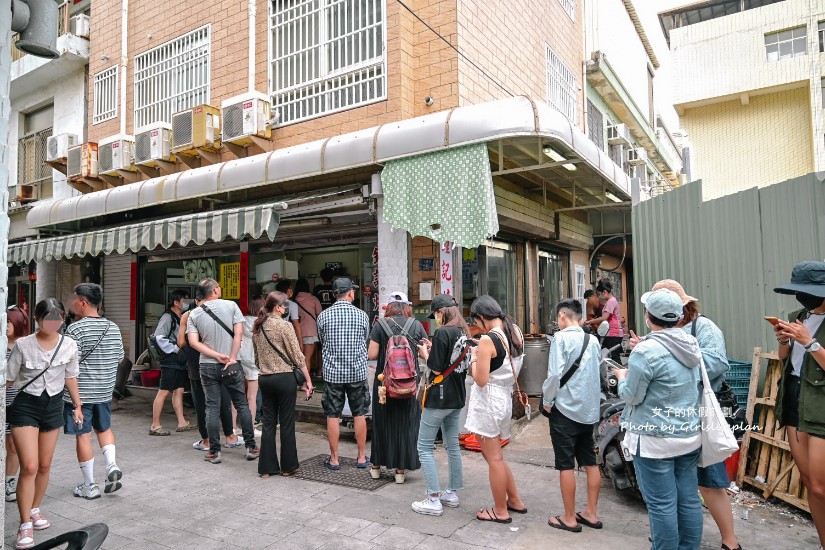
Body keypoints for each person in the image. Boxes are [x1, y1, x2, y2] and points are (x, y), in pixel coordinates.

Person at [646, 279, 741, 550]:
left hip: (700, 409)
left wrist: (679, 364)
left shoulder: (703, 326)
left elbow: (719, 362)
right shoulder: (665, 328)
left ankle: (730, 542)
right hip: (671, 412)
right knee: (675, 482)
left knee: (711, 478)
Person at [614, 288, 703, 550]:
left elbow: (632, 396)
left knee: (661, 504)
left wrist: (621, 379)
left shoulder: (646, 351)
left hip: (655, 439)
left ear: (648, 316)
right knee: (688, 500)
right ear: (678, 317)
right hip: (688, 435)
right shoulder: (690, 343)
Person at [6, 299, 82, 550]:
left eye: (58, 318)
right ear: (37, 320)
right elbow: (8, 378)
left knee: (45, 464)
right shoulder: (23, 345)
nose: (53, 323)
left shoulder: (69, 344)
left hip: (53, 406)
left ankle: (35, 507)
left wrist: (78, 405)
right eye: (48, 318)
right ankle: (24, 523)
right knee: (29, 465)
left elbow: (70, 377)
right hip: (26, 406)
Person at [773, 261, 825, 548]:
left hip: (820, 402)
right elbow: (784, 359)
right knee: (809, 481)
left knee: (820, 485)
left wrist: (810, 342)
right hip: (793, 397)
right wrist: (784, 339)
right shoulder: (798, 316)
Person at [542, 299, 603, 533]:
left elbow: (554, 376)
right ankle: (591, 513)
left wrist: (547, 402)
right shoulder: (593, 340)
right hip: (588, 412)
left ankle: (569, 517)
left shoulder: (561, 338)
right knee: (590, 462)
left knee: (565, 464)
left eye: (558, 319)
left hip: (565, 410)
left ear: (563, 317)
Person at [465, 295, 526, 524]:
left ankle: (501, 510)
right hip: (505, 397)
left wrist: (473, 357)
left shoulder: (488, 340)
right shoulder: (515, 331)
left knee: (494, 459)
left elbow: (480, 379)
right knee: (497, 457)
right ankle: (515, 500)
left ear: (481, 317)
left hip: (489, 400)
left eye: (477, 321)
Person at [186, 278, 260, 464]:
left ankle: (215, 451)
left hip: (207, 365)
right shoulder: (231, 306)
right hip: (232, 364)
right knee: (241, 404)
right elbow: (239, 334)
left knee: (211, 407)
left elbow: (194, 343)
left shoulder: (194, 314)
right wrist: (232, 357)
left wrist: (216, 355)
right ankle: (251, 447)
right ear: (216, 290)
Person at [411, 294, 470, 516]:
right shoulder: (462, 331)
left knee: (424, 447)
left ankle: (433, 498)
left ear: (441, 312)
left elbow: (436, 367)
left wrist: (426, 353)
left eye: (435, 314)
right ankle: (452, 493)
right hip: (457, 397)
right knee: (452, 444)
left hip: (440, 398)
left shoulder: (444, 331)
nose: (435, 318)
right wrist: (434, 347)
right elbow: (450, 358)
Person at [65, 283, 125, 499]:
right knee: (104, 429)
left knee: (83, 436)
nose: (73, 304)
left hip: (79, 395)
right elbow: (119, 358)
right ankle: (111, 466)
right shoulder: (113, 327)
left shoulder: (75, 329)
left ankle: (89, 486)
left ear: (83, 303)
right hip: (104, 392)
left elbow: (69, 364)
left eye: (75, 300)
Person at [367, 291, 426, 484]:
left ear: (389, 307)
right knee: (406, 425)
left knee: (382, 423)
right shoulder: (416, 325)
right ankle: (400, 471)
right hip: (409, 384)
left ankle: (376, 468)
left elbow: (372, 354)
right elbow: (426, 352)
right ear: (407, 307)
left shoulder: (380, 325)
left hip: (385, 383)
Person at [253, 292, 313, 477]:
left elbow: (256, 357)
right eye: (284, 306)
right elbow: (297, 355)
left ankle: (266, 469)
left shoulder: (258, 326)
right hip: (284, 378)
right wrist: (308, 380)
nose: (286, 308)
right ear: (278, 307)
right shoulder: (285, 326)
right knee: (286, 423)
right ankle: (288, 467)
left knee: (268, 423)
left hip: (265, 378)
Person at [316, 278, 371, 470]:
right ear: (350, 293)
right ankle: (362, 458)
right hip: (357, 372)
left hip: (333, 374)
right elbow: (365, 341)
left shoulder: (323, 316)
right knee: (360, 413)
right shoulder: (362, 316)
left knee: (332, 415)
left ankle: (334, 459)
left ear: (334, 294)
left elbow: (322, 341)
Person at [177, 296, 238, 452]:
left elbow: (181, 343)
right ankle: (230, 437)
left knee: (202, 403)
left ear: (197, 300)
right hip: (219, 361)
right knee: (224, 400)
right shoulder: (224, 310)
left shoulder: (190, 314)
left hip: (198, 365)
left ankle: (207, 441)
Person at [149, 289, 196, 435]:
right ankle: (155, 426)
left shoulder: (180, 316)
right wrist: (176, 350)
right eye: (184, 301)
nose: (187, 304)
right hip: (170, 359)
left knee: (179, 390)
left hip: (179, 360)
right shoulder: (168, 317)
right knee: (163, 391)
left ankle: (181, 422)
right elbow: (159, 337)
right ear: (176, 302)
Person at [5, 306, 30, 503]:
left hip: (17, 403)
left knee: (13, 446)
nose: (6, 326)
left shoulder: (25, 346)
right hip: (1, 402)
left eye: (9, 322)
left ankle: (9, 482)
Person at [239, 295, 265, 431]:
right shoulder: (262, 323)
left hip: (240, 357)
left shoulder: (241, 321)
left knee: (236, 395)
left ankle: (233, 427)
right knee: (252, 396)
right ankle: (250, 428)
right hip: (254, 361)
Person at [585, 278, 623, 361]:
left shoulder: (611, 302)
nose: (600, 297)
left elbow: (604, 317)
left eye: (600, 294)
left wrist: (590, 321)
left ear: (605, 292)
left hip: (613, 333)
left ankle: (621, 373)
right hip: (610, 333)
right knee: (605, 354)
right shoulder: (611, 301)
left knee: (615, 358)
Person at [294, 278, 322, 377]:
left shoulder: (293, 300)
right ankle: (305, 383)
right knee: (307, 359)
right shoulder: (314, 299)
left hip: (295, 333)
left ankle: (297, 381)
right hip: (310, 332)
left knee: (297, 359)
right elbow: (320, 315)